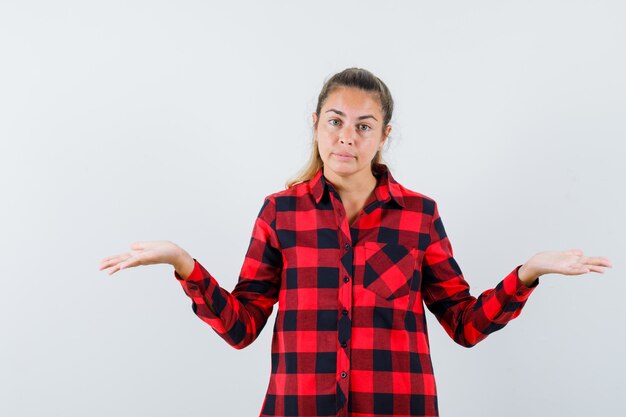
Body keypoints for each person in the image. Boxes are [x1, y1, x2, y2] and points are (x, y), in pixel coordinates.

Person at [99, 67, 612, 417]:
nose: (347, 137)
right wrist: (183, 264)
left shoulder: (419, 215)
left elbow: (465, 324)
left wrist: (528, 273)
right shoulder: (281, 212)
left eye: (364, 126)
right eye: (336, 121)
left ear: (385, 134)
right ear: (317, 126)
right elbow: (242, 327)